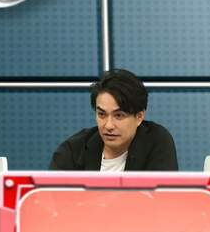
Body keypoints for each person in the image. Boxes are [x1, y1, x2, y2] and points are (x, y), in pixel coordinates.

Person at [49, 69, 178, 171]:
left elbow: (162, 195)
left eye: (119, 116)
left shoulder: (156, 141)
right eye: (102, 114)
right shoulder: (73, 151)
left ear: (139, 117)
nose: (108, 126)